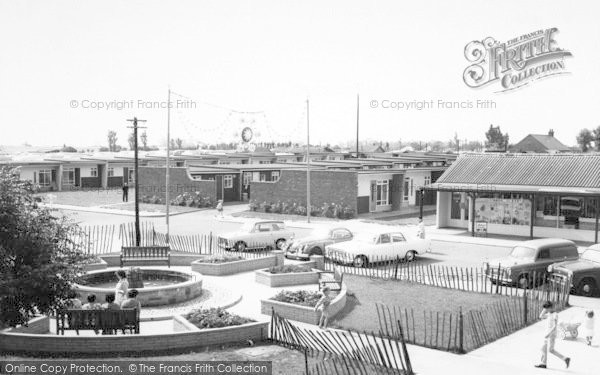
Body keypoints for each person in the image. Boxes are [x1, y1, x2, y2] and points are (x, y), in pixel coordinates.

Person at [535, 301, 570, 369]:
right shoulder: (549, 314)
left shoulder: (555, 314)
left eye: (547, 309)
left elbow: (555, 326)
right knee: (543, 348)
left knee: (551, 350)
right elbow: (540, 316)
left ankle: (565, 359)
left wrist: (548, 334)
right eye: (546, 309)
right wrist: (545, 309)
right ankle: (543, 363)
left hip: (551, 334)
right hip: (547, 334)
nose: (546, 310)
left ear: (551, 307)